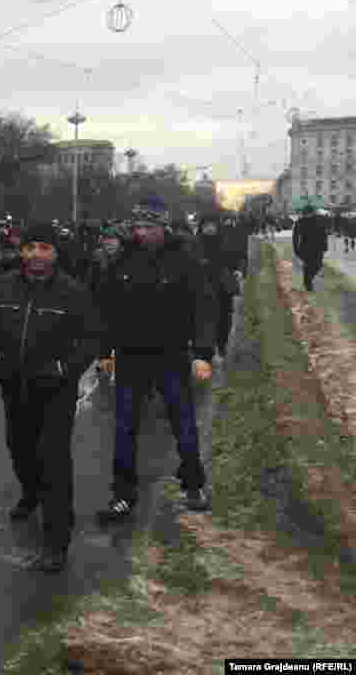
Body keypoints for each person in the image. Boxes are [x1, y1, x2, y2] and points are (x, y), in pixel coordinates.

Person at [0, 222, 104, 573]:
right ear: (21, 251)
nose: (35, 254)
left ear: (55, 253)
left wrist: (65, 369)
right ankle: (30, 493)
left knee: (54, 463)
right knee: (19, 449)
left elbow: (90, 337)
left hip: (55, 391)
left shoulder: (72, 291)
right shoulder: (3, 286)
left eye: (43, 248)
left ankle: (56, 540)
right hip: (14, 386)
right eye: (30, 247)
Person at [95, 198, 216, 522]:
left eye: (149, 227)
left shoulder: (185, 260)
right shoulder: (122, 261)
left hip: (171, 355)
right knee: (124, 428)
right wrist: (105, 351)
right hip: (132, 356)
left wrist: (203, 353)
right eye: (138, 227)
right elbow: (107, 310)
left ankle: (193, 484)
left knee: (184, 423)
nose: (142, 232)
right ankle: (122, 493)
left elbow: (204, 307)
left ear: (163, 227)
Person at [196, 216, 244, 358]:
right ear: (201, 227)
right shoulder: (195, 243)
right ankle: (207, 349)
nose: (210, 228)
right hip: (203, 286)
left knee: (225, 318)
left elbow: (236, 257)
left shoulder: (225, 240)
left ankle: (222, 344)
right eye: (206, 225)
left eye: (212, 225)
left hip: (223, 286)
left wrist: (238, 270)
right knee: (205, 320)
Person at [292, 204, 328, 292]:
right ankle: (308, 285)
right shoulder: (299, 222)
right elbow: (295, 237)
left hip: (317, 247)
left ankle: (307, 281)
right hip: (305, 248)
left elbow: (324, 234)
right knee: (309, 266)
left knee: (317, 265)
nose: (312, 213)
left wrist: (325, 247)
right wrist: (296, 249)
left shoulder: (319, 220)